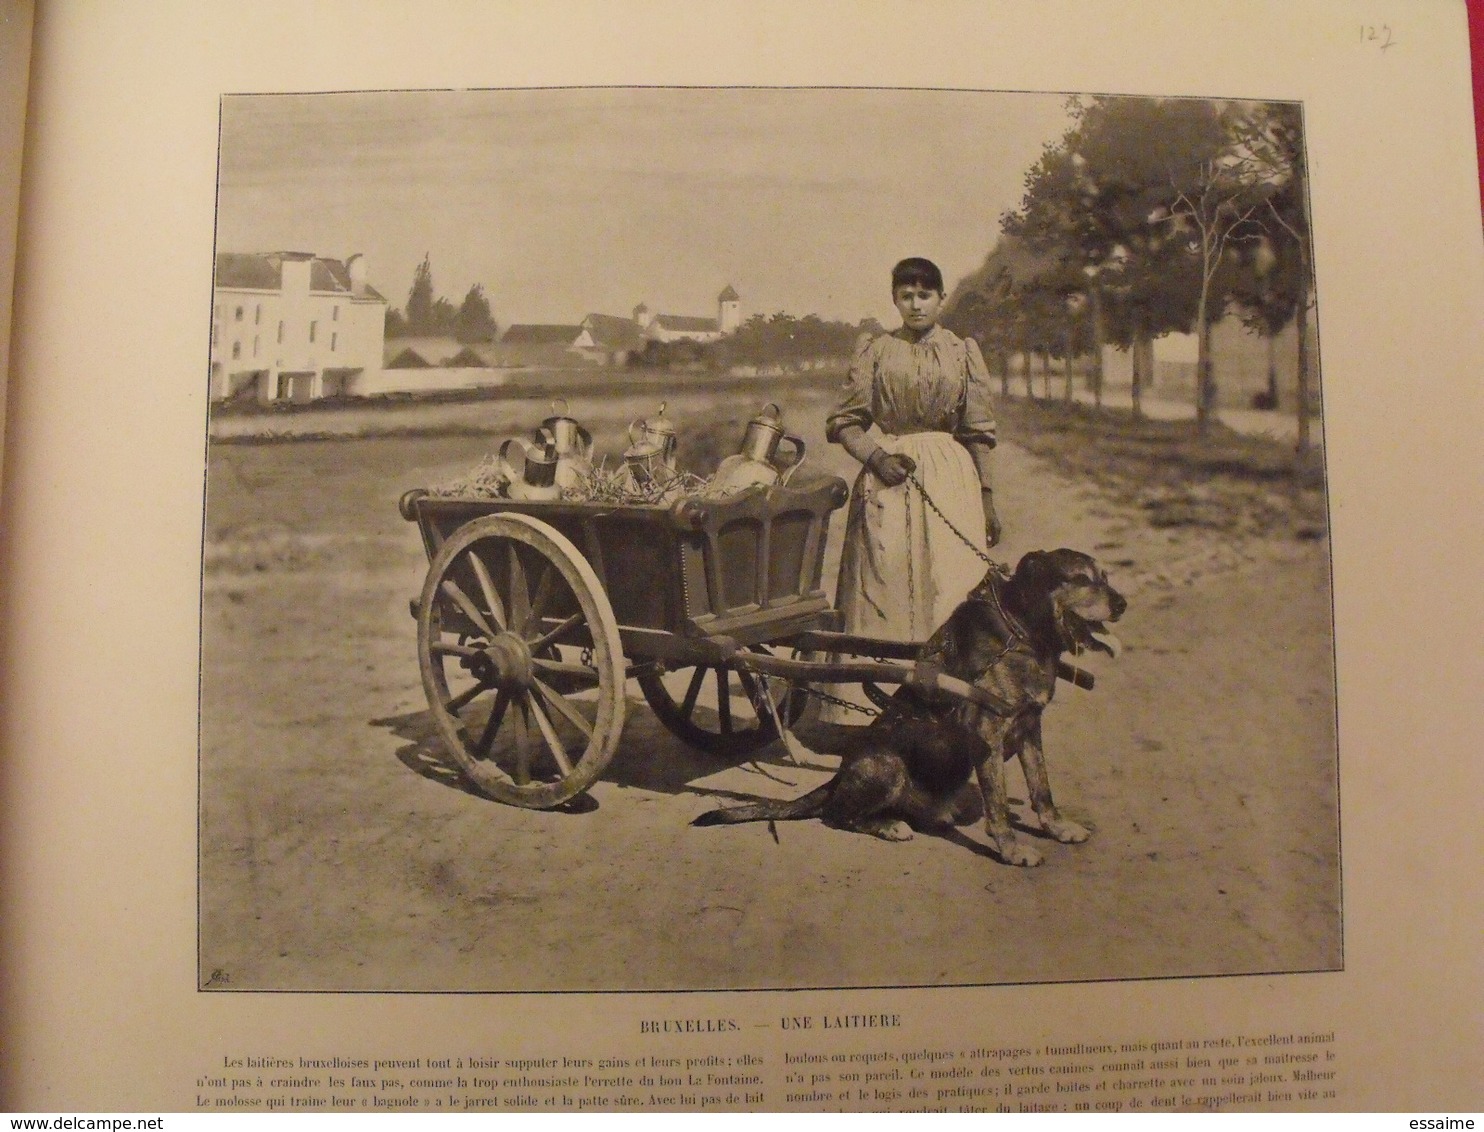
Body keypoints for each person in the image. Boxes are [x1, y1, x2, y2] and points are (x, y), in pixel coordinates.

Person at [821, 257, 1000, 722]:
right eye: (906, 295)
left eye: (925, 295)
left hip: (950, 481)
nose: (915, 304)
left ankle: (953, 704)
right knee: (887, 584)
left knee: (951, 587)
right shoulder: (875, 350)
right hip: (889, 482)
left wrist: (986, 498)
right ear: (895, 299)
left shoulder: (962, 352)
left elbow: (978, 430)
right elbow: (845, 423)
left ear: (940, 299)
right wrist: (878, 458)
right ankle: (873, 711)